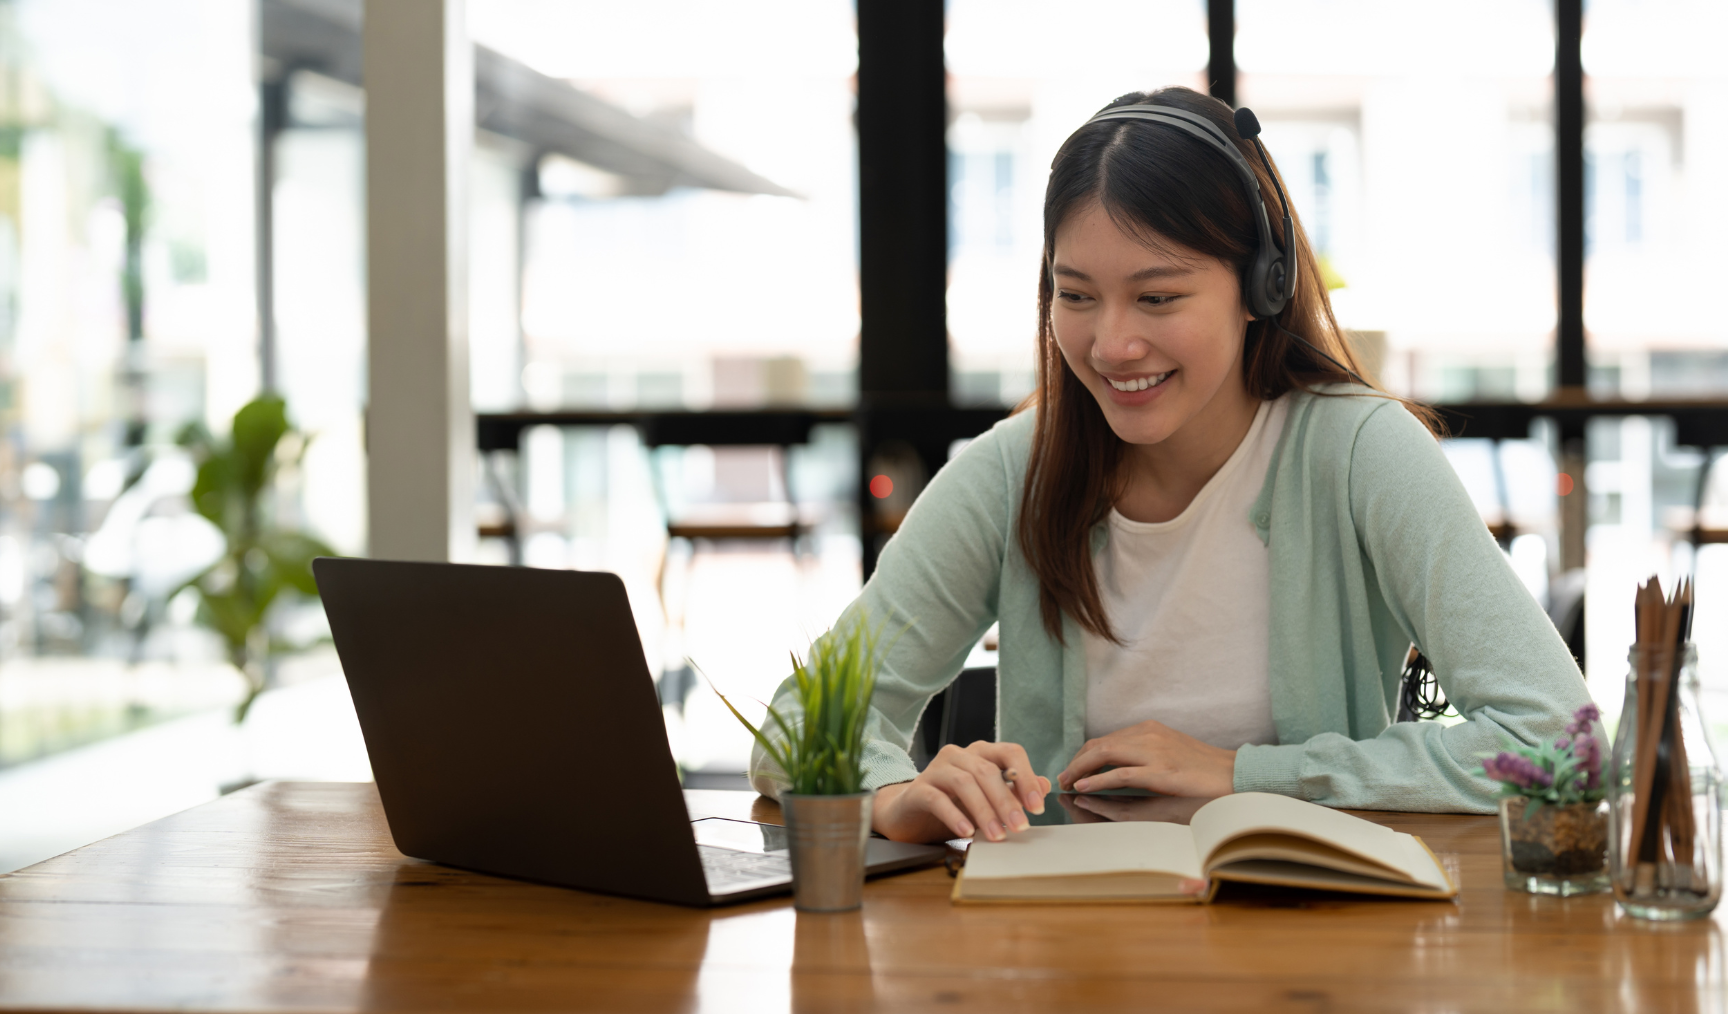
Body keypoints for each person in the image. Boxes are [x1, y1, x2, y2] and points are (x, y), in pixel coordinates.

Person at [749, 87, 1591, 844]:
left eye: (1158, 297)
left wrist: (1242, 778)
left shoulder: (1359, 453)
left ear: (1259, 288)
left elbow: (1564, 744)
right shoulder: (1014, 473)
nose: (1111, 344)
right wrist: (894, 796)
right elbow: (799, 728)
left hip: (1316, 944)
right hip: (1067, 946)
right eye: (1075, 295)